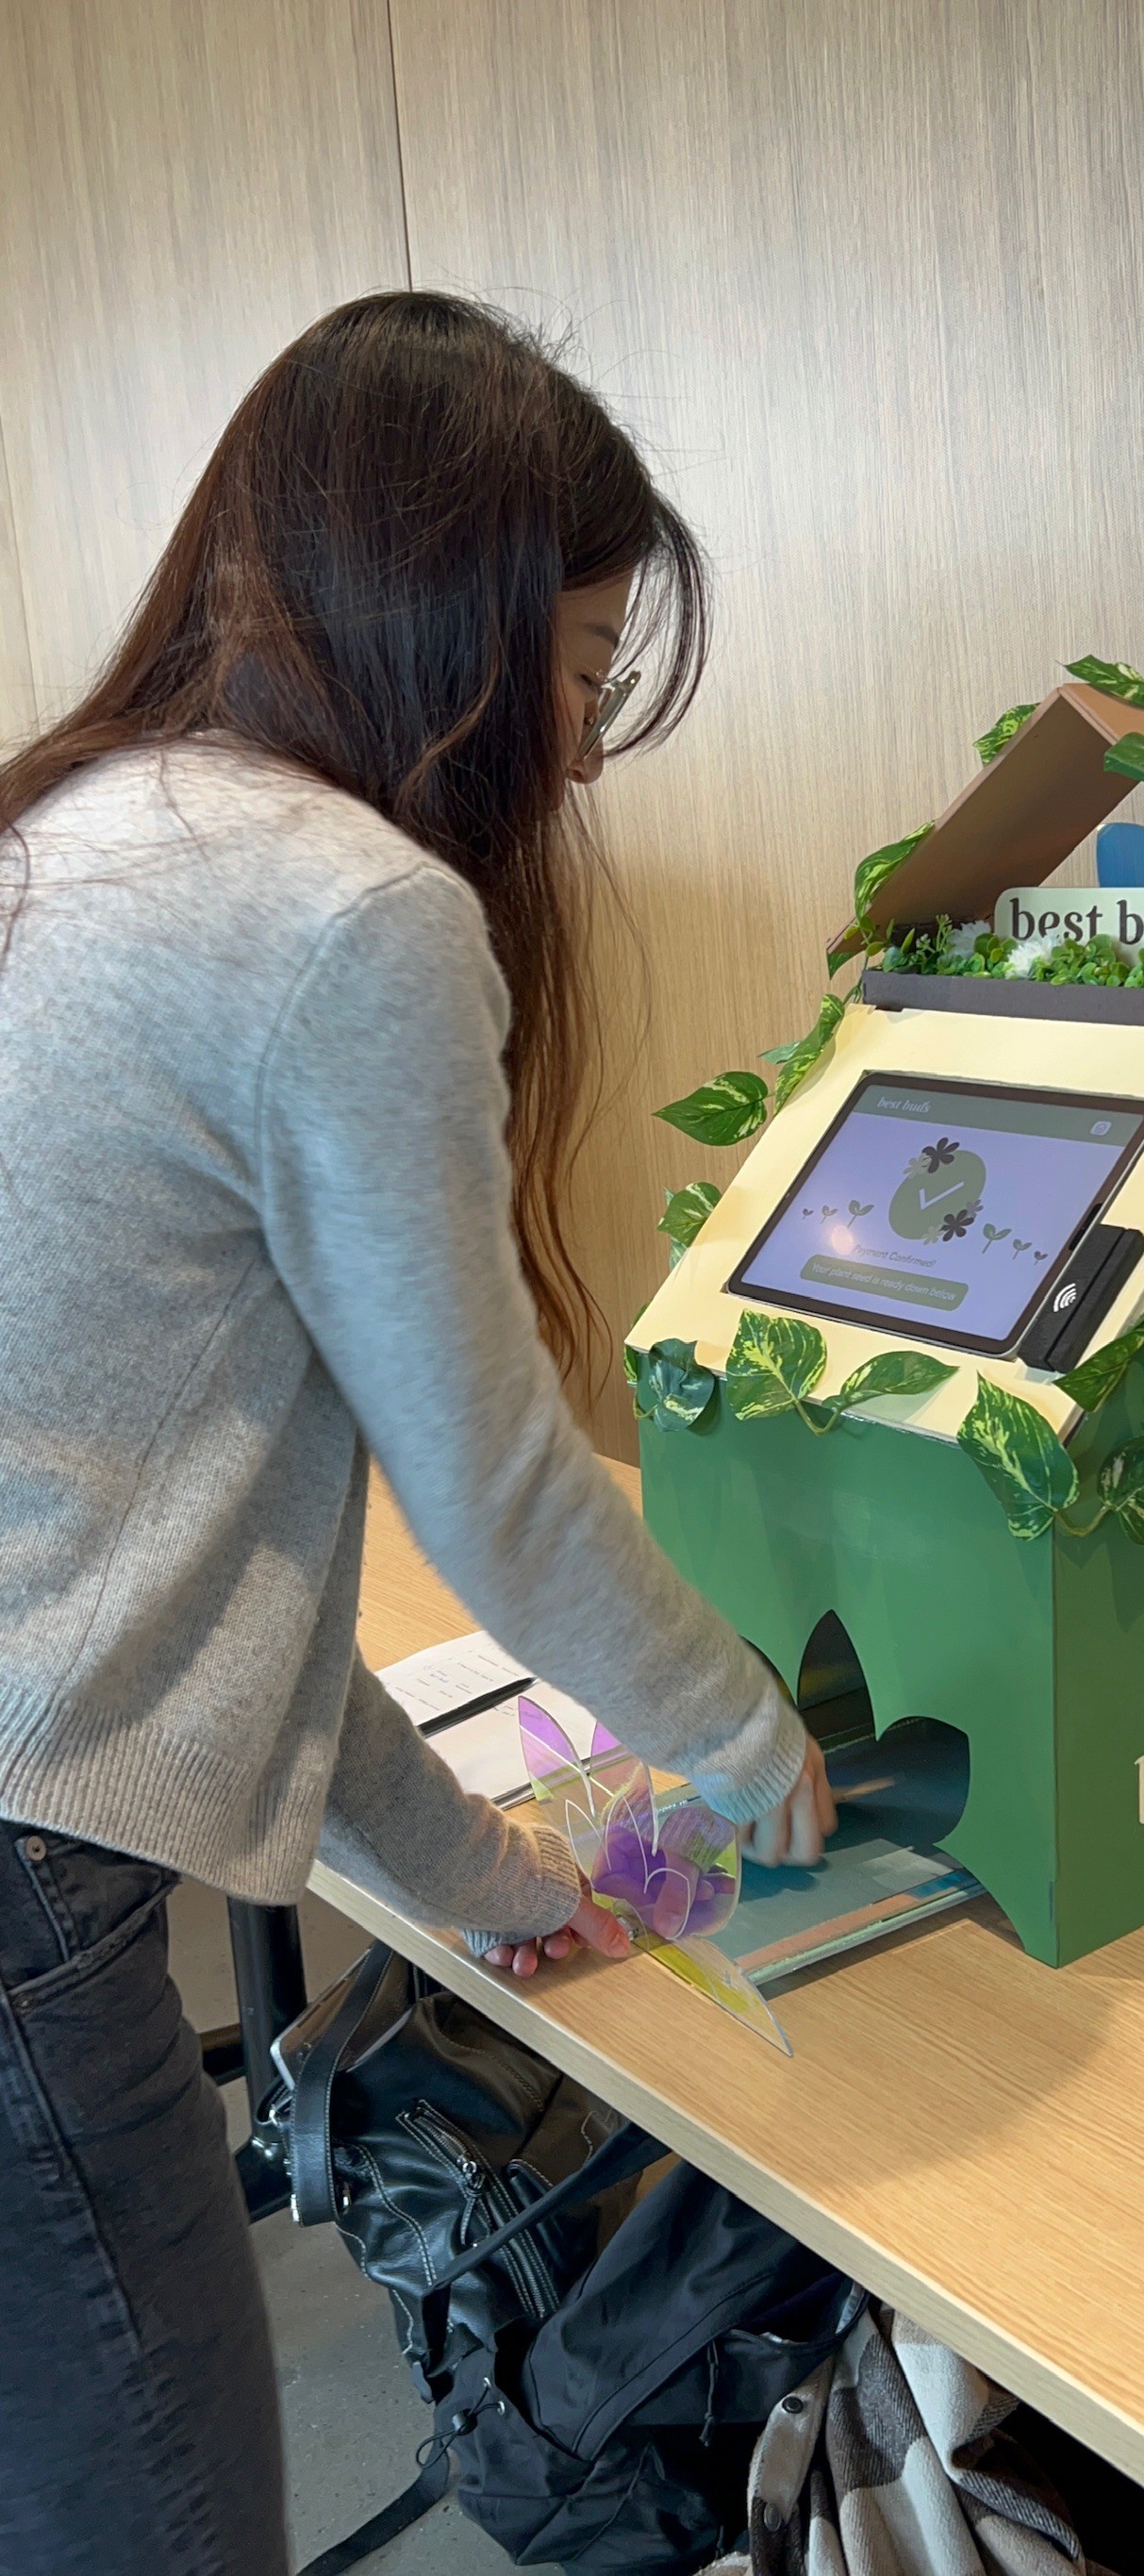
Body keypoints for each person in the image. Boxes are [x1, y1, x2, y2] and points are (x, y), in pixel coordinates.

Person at [0, 291, 835, 2576]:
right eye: (574, 668)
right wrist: (745, 1741)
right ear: (447, 638)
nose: (580, 753)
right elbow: (496, 1485)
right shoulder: (349, 912)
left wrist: (479, 1882)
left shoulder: (92, 818)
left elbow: (197, 1597)